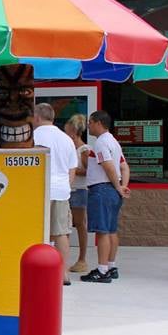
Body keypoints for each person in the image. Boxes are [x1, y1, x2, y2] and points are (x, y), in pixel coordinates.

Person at [81, 110, 129, 283]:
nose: (88, 126)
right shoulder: (114, 142)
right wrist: (123, 186)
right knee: (111, 230)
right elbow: (124, 166)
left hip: (102, 189)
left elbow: (108, 166)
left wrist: (118, 186)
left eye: (90, 122)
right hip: (112, 190)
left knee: (102, 231)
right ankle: (111, 265)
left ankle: (101, 270)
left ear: (98, 123)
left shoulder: (101, 143)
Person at [33, 103, 78, 285]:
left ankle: (36, 270)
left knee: (35, 233)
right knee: (61, 234)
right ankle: (63, 273)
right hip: (60, 191)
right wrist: (65, 187)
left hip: (37, 190)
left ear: (37, 117)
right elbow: (72, 169)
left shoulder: (32, 136)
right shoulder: (66, 139)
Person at [65, 114, 91, 273]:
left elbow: (90, 171)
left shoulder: (84, 150)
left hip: (80, 190)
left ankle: (82, 259)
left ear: (73, 132)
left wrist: (72, 170)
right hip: (69, 190)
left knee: (80, 224)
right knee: (66, 225)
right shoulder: (70, 148)